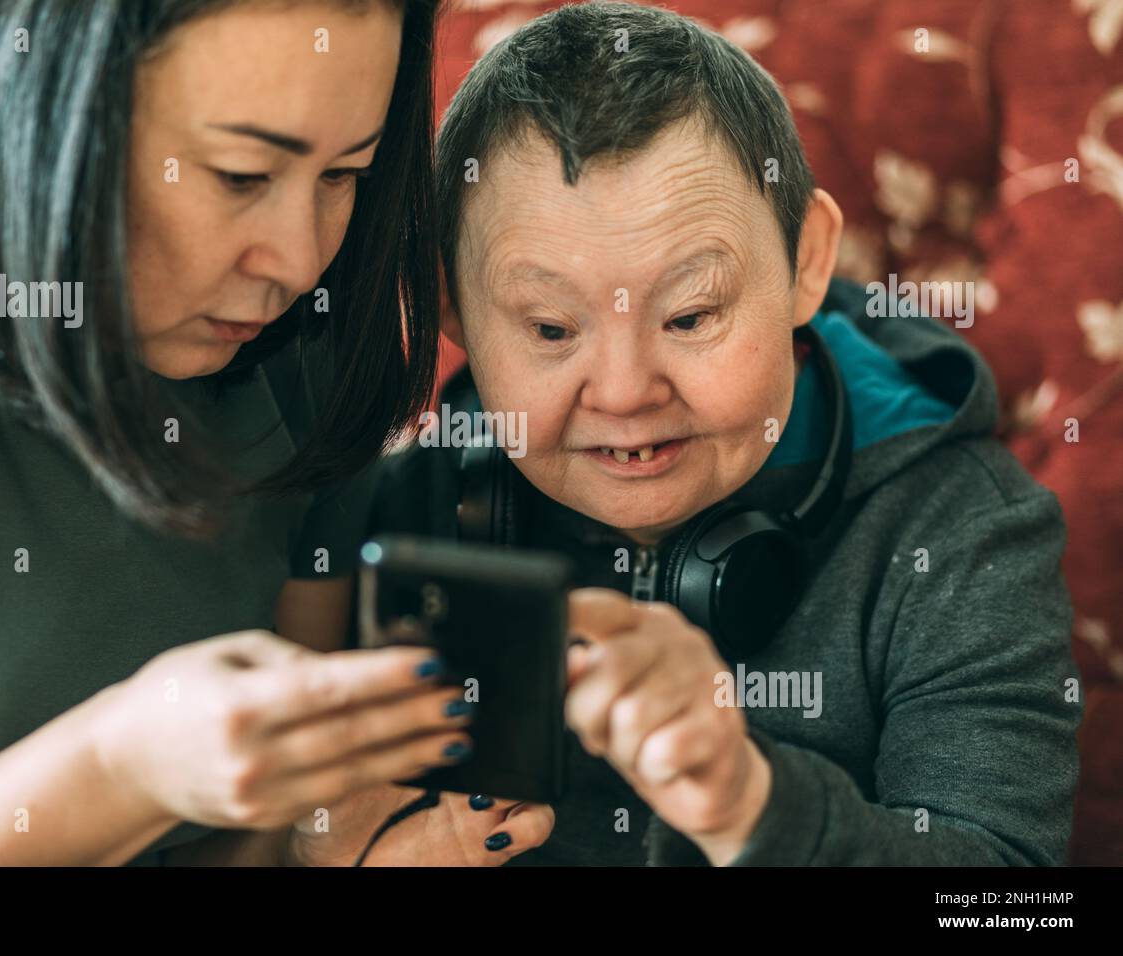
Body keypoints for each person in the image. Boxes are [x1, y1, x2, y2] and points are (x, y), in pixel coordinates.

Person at [0, 0, 552, 866]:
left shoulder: (306, 350)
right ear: (30, 109)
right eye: (241, 176)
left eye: (343, 174)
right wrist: (119, 771)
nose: (298, 260)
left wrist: (315, 855)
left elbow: (253, 842)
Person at [367, 2, 1082, 865]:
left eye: (691, 315)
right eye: (551, 329)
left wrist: (750, 802)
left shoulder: (964, 534)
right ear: (451, 306)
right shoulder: (395, 515)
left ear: (806, 262)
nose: (625, 393)